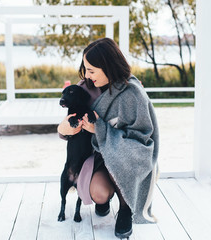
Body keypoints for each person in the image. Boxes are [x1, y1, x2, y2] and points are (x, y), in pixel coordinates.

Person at [58, 37, 159, 239]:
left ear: (108, 66)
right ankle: (105, 200)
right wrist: (66, 128)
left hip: (127, 157)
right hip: (97, 157)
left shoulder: (133, 94)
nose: (87, 75)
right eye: (85, 69)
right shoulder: (86, 88)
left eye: (92, 70)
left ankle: (125, 208)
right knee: (99, 193)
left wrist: (100, 129)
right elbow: (64, 128)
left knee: (119, 156)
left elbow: (142, 139)